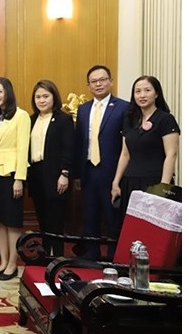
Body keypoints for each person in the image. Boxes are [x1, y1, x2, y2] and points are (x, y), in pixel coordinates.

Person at [74, 65, 129, 260]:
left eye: (102, 79)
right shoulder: (83, 109)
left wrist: (119, 178)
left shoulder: (124, 107)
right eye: (94, 81)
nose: (99, 84)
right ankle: (91, 257)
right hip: (89, 171)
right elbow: (80, 142)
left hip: (113, 173)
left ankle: (115, 259)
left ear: (111, 81)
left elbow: (127, 144)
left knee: (113, 218)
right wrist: (78, 174)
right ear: (88, 85)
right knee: (89, 217)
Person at [111, 75, 180, 215]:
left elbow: (171, 155)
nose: (142, 95)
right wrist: (116, 181)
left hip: (154, 181)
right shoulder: (130, 119)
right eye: (138, 91)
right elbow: (125, 154)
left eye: (147, 90)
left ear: (156, 94)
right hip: (130, 181)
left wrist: (163, 187)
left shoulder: (166, 119)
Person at [0, 77, 30, 281]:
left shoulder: (21, 116)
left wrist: (19, 178)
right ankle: (2, 262)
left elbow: (22, 149)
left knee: (12, 222)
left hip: (11, 174)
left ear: (8, 92)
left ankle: (13, 263)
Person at [26, 79, 74, 257]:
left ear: (54, 97)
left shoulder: (63, 119)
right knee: (43, 219)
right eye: (38, 97)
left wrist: (65, 173)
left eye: (46, 96)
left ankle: (58, 257)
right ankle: (45, 255)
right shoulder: (31, 120)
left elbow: (69, 149)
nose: (41, 100)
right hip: (36, 174)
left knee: (56, 220)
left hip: (56, 175)